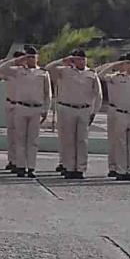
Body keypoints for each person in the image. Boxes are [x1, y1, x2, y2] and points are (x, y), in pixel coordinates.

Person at [0, 46, 51, 178]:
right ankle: (21, 166)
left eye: (33, 57)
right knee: (20, 138)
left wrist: (46, 110)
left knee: (33, 140)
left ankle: (31, 168)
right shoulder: (17, 71)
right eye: (28, 57)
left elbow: (47, 94)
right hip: (20, 107)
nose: (30, 60)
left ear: (37, 58)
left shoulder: (43, 73)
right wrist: (16, 60)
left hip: (36, 108)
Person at [45, 49, 102, 180]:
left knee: (82, 141)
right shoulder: (64, 71)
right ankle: (69, 167)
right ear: (73, 60)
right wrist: (63, 60)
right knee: (68, 140)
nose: (81, 61)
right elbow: (48, 69)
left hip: (84, 109)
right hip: (67, 108)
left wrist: (94, 112)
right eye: (78, 59)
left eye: (83, 59)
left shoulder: (91, 74)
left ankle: (80, 168)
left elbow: (98, 95)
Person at [96, 53, 130, 181]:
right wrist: (115, 65)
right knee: (120, 144)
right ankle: (120, 170)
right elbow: (100, 75)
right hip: (120, 113)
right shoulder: (117, 78)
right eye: (128, 63)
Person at [0, 50, 26, 171]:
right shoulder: (10, 73)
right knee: (11, 135)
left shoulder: (26, 73)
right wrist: (8, 61)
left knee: (21, 136)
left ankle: (20, 162)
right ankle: (12, 160)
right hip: (10, 104)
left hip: (22, 105)